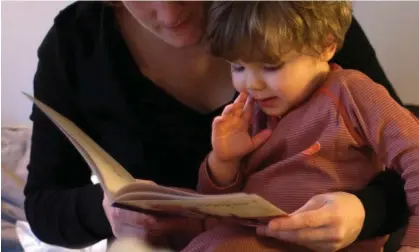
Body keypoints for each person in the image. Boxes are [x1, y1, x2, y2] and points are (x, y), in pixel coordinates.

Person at [23, 1, 410, 251]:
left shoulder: (293, 14)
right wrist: (105, 211)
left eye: (271, 66)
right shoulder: (76, 45)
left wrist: (366, 209)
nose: (171, 13)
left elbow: (405, 157)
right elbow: (43, 206)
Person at [180, 1, 419, 252]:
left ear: (326, 46)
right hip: (252, 235)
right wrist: (224, 162)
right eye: (238, 67)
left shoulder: (352, 93)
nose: (251, 84)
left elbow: (415, 154)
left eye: (271, 66)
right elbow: (214, 215)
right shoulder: (251, 112)